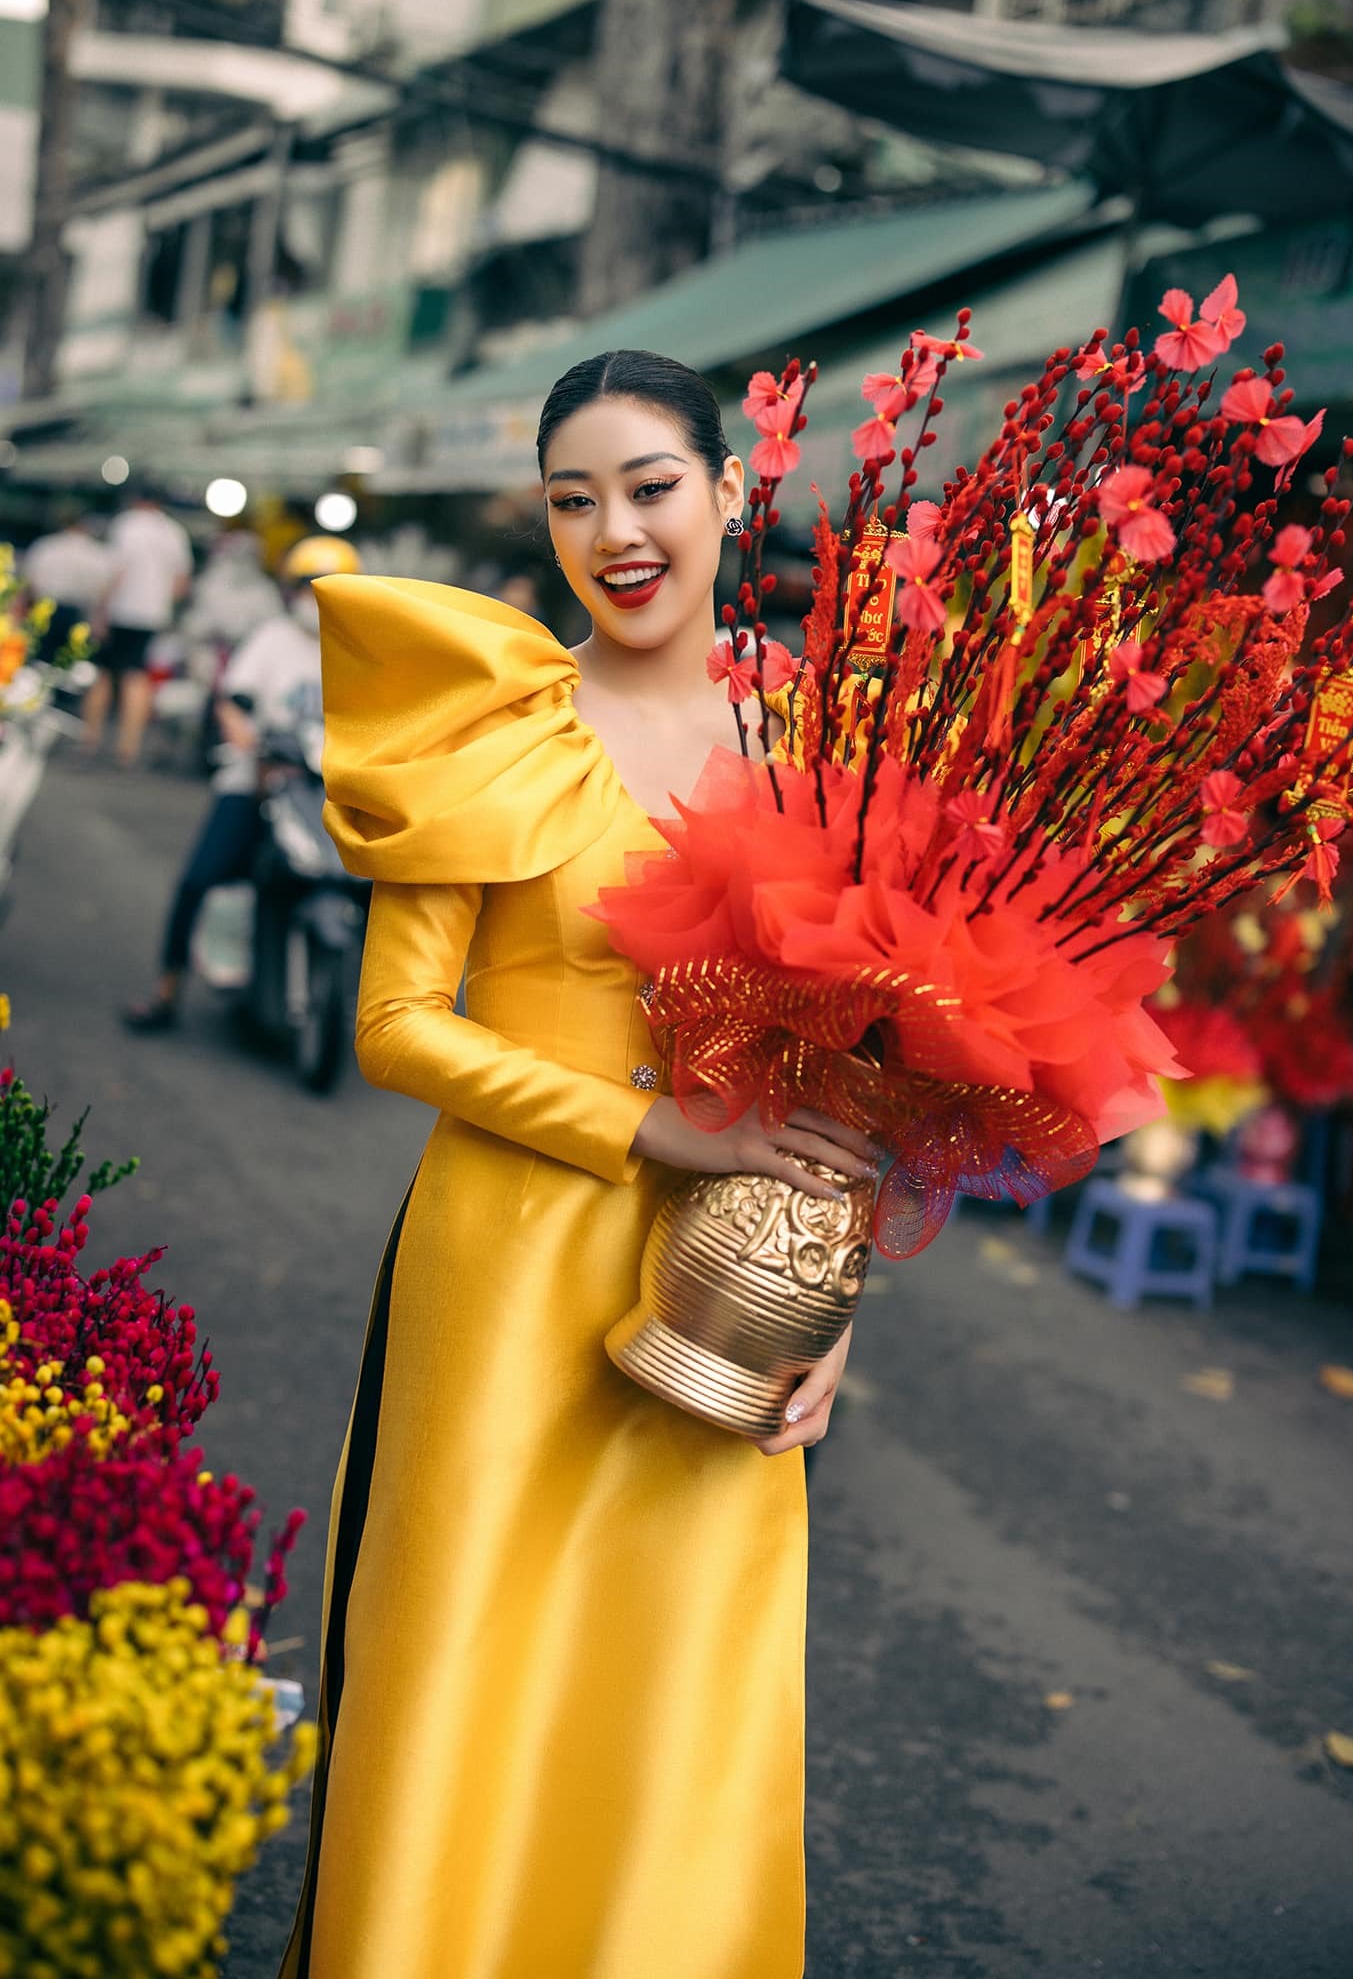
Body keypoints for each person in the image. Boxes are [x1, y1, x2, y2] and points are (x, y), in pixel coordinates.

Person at [279, 351, 880, 1979]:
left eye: (648, 486)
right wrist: (648, 1122)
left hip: (726, 1289)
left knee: (674, 1703)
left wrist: (828, 1311)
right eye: (572, 498)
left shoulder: (827, 733)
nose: (613, 530)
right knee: (454, 1669)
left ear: (730, 491)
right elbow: (395, 1025)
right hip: (499, 1274)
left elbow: (861, 1064)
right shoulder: (490, 717)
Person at [121, 535, 359, 1033]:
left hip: (330, 788)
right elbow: (232, 701)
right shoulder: (272, 638)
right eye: (307, 585)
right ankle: (165, 993)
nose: (316, 596)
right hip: (257, 782)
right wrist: (248, 741)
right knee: (198, 880)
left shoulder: (364, 649)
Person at [82, 482, 193, 766]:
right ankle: (128, 747)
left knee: (104, 673)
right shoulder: (173, 532)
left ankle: (90, 738)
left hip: (121, 610)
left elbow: (115, 570)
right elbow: (181, 583)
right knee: (138, 676)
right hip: (153, 615)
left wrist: (100, 610)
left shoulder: (127, 525)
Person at [20, 504, 116, 661]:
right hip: (80, 613)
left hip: (47, 610)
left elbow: (30, 583)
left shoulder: (46, 546)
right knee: (71, 660)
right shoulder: (97, 553)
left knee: (40, 658)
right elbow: (104, 590)